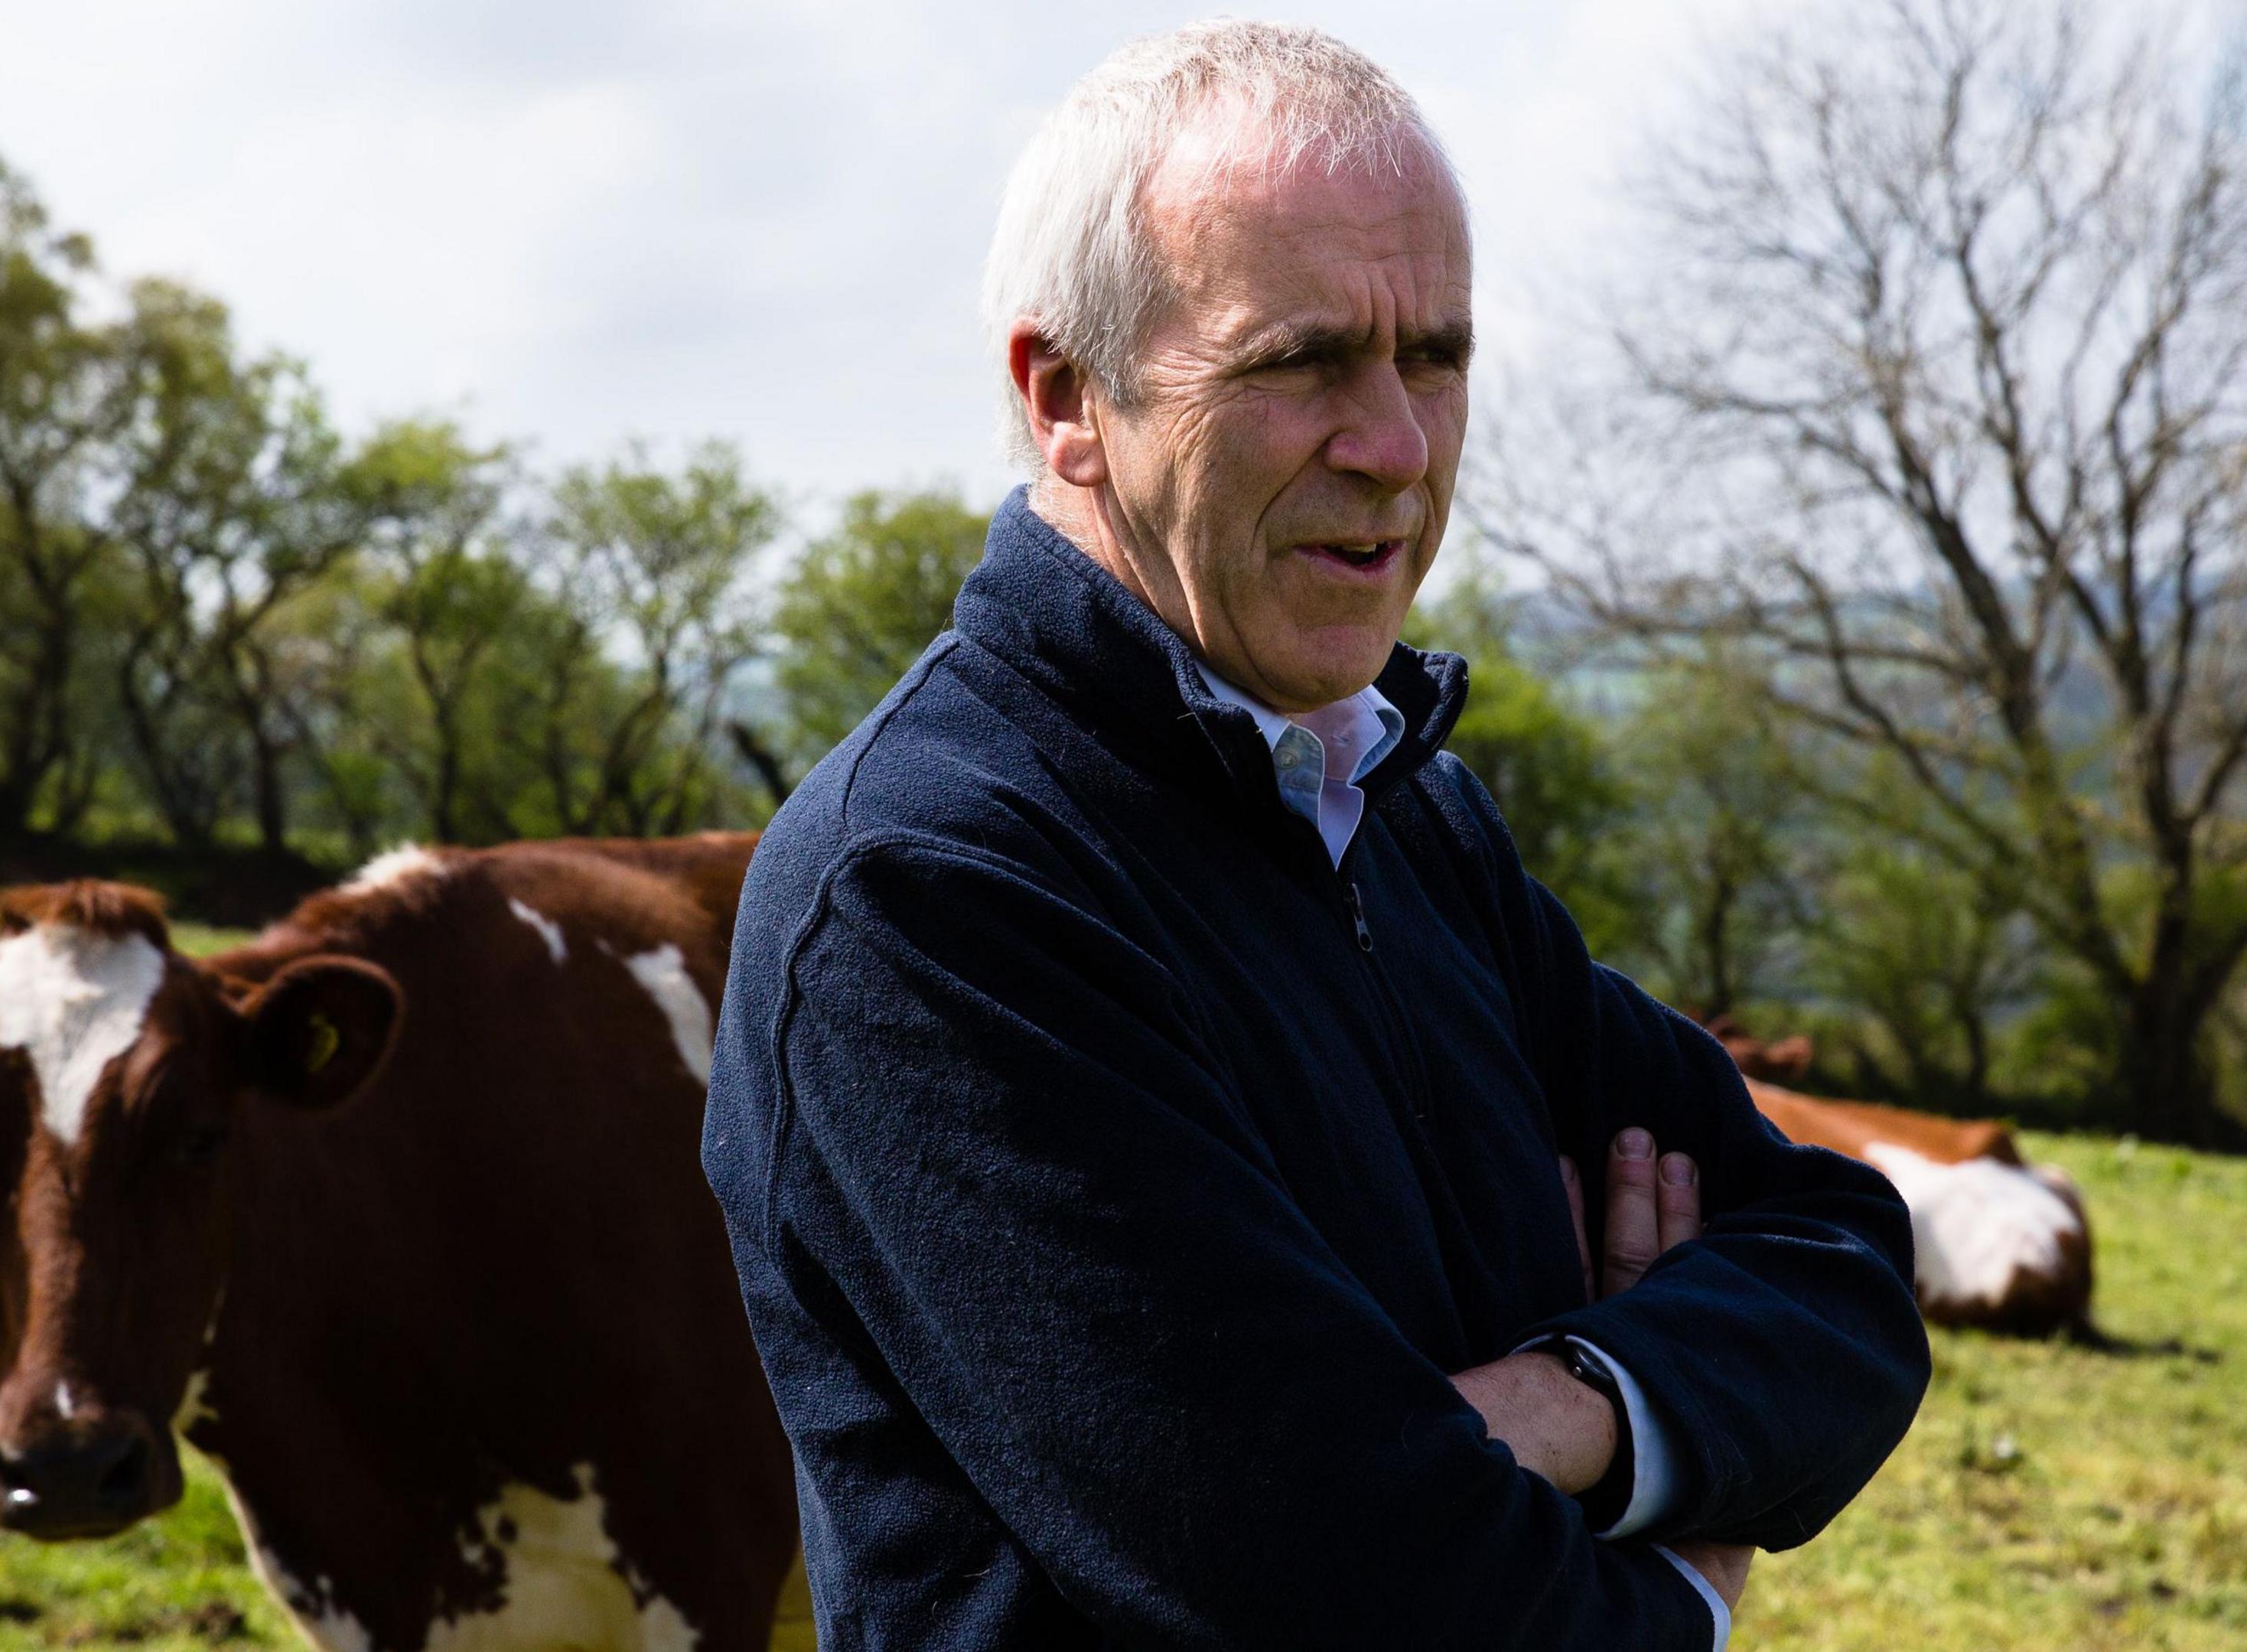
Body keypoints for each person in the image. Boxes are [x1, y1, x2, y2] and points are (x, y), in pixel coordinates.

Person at [700, 21, 1929, 1650]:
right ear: (1068, 396)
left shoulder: (1406, 817)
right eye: (1300, 360)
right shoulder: (931, 898)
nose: (1401, 448)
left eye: (1435, 353)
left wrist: (1572, 1405)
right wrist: (1682, 1589)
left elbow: (1844, 1259)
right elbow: (1348, 1593)